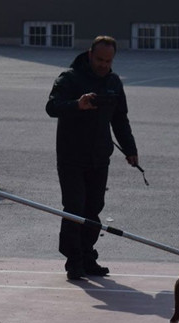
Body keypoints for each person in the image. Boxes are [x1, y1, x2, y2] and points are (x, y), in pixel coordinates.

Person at [45, 35, 138, 280]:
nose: (103, 65)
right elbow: (52, 107)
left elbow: (120, 119)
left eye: (108, 61)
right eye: (99, 59)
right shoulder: (70, 78)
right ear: (89, 54)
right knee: (75, 208)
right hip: (71, 157)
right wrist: (77, 104)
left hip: (99, 157)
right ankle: (73, 261)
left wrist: (130, 150)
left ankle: (88, 256)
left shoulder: (114, 82)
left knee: (94, 208)